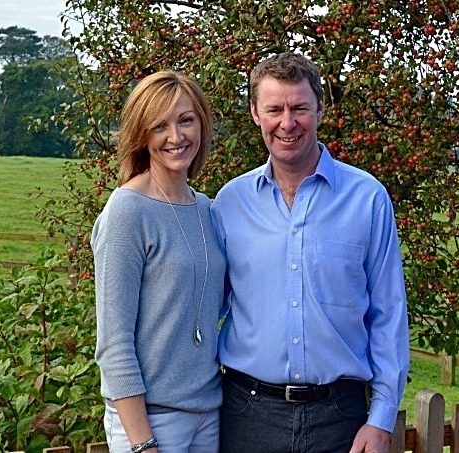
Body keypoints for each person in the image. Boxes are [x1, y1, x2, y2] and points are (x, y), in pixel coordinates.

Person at [210, 52, 410, 453]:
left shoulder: (367, 198)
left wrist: (383, 417)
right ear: (255, 113)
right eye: (274, 109)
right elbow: (204, 307)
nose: (288, 122)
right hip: (248, 416)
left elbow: (388, 313)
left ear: (320, 106)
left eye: (299, 107)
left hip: (341, 419)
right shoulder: (229, 203)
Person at [92, 71, 225, 453]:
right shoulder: (126, 211)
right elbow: (114, 343)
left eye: (186, 120)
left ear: (201, 123)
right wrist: (142, 442)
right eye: (160, 126)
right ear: (141, 135)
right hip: (150, 423)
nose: (176, 137)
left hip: (207, 414)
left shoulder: (205, 209)